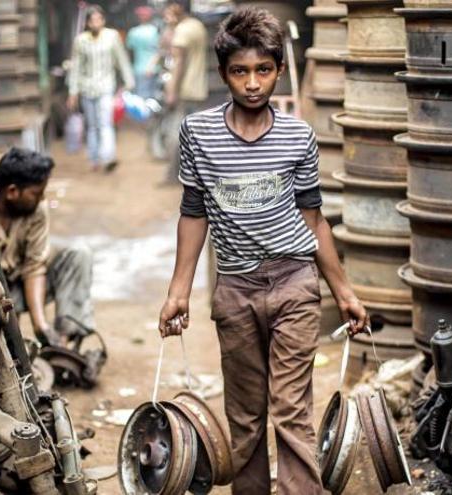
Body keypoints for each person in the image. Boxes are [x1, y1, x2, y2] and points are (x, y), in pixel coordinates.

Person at [157, 8, 369, 495]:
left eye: (263, 70)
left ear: (277, 69)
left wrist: (344, 292)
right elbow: (194, 212)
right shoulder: (199, 133)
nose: (252, 84)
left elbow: (314, 220)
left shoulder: (298, 136)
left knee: (292, 412)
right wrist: (178, 292)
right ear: (223, 74)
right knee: (246, 416)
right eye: (240, 71)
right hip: (235, 290)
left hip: (295, 282)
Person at [0, 148, 96, 347]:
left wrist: (41, 326)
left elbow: (34, 267)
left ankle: (62, 344)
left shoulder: (37, 210)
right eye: (36, 193)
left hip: (20, 286)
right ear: (12, 192)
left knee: (79, 254)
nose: (42, 199)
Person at [67, 5, 135, 172]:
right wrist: (72, 92)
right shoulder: (80, 40)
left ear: (103, 20)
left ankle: (108, 158)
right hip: (87, 88)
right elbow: (76, 67)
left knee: (105, 123)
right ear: (88, 23)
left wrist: (129, 82)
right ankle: (94, 158)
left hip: (106, 87)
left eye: (99, 19)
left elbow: (122, 59)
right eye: (92, 20)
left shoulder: (112, 37)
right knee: (92, 125)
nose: (96, 23)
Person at [162, 2, 207, 183]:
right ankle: (195, 176)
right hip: (198, 88)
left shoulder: (183, 31)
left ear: (177, 8)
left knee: (176, 133)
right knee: (195, 135)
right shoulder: (197, 26)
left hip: (184, 90)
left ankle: (174, 176)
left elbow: (178, 63)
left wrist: (172, 91)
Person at [126, 6, 160, 99]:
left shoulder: (134, 32)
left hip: (143, 69)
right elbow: (159, 51)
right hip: (149, 69)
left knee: (142, 98)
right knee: (150, 98)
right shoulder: (155, 31)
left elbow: (130, 52)